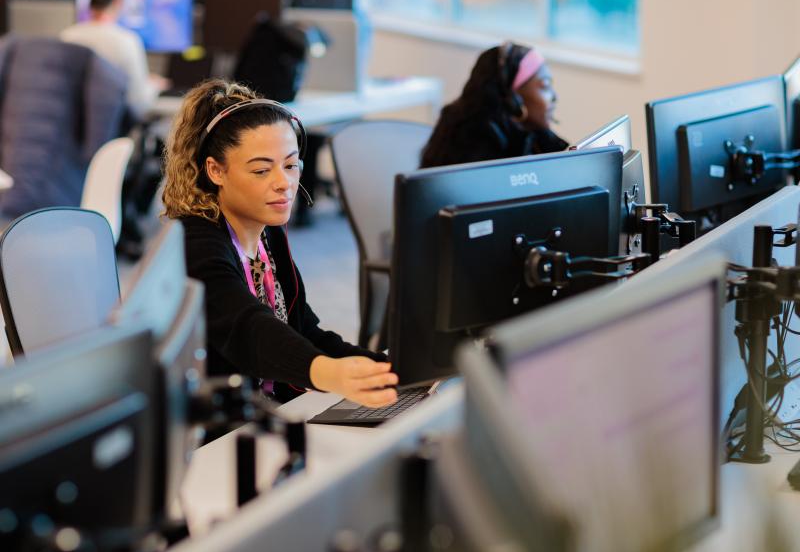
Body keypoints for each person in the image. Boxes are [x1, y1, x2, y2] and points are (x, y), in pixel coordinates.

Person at [161, 78, 399, 408]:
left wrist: (389, 372)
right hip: (214, 428)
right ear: (215, 171)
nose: (283, 184)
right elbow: (248, 330)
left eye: (290, 165)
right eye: (261, 170)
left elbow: (303, 331)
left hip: (271, 411)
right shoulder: (194, 244)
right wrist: (326, 372)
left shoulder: (267, 233)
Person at [420, 42, 568, 169]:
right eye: (545, 86)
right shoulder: (477, 142)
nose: (554, 97)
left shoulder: (535, 134)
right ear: (513, 98)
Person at [61, 0, 168, 120]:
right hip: (110, 129)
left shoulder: (67, 36)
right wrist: (154, 86)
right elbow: (139, 103)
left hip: (70, 127)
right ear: (118, 1)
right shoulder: (127, 41)